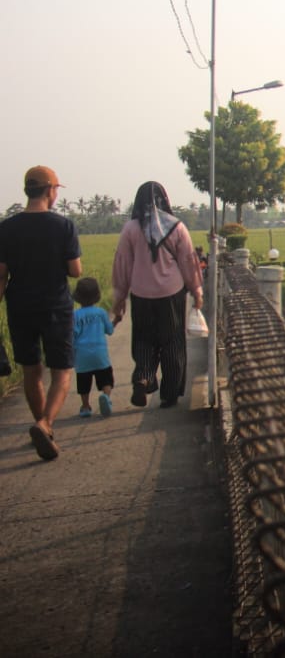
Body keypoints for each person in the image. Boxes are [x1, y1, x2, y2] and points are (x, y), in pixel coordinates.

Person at [0, 166, 82, 460]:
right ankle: (45, 423)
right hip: (55, 306)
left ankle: (43, 428)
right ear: (49, 190)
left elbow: (1, 274)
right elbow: (75, 270)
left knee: (31, 370)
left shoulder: (6, 228)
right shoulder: (63, 226)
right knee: (62, 372)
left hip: (19, 306)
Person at [111, 181, 204, 409]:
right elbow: (188, 263)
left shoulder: (131, 228)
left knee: (143, 340)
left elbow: (123, 264)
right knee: (172, 341)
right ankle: (169, 395)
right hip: (171, 294)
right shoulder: (177, 227)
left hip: (141, 294)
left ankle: (143, 377)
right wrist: (197, 291)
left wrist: (119, 298)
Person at [72, 277, 115, 418]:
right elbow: (109, 330)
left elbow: (73, 335)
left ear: (78, 297)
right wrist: (117, 320)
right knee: (106, 378)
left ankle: (85, 407)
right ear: (97, 296)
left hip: (82, 355)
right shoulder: (101, 312)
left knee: (83, 381)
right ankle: (106, 397)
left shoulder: (75, 315)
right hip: (100, 353)